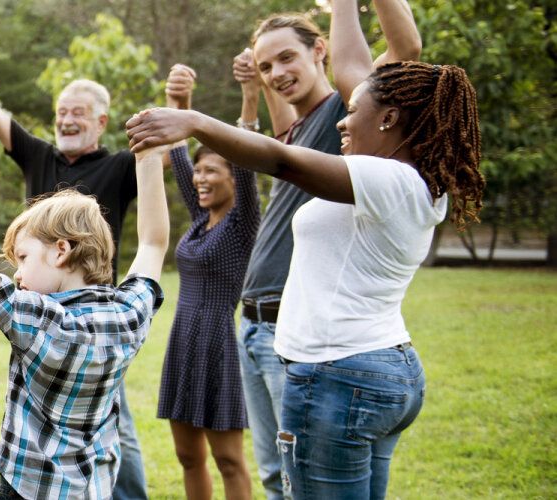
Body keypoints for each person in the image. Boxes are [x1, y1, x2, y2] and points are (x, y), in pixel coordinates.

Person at [129, 17, 478, 500]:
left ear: (389, 119)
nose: (341, 120)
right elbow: (354, 66)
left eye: (352, 110)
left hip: (338, 373)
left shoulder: (387, 180)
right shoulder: (406, 179)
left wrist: (193, 121)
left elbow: (280, 160)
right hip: (376, 365)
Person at [218, 3, 423, 497]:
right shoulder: (299, 128)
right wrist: (254, 88)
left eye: (287, 58)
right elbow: (276, 144)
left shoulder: (345, 117)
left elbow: (404, 50)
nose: (276, 74)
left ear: (320, 51)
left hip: (305, 342)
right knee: (277, 475)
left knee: (294, 482)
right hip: (257, 322)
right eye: (267, 66)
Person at [0, 137, 169, 498]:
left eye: (23, 257)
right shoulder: (127, 315)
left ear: (61, 251)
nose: (17, 274)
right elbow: (153, 242)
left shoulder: (39, 318)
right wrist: (149, 156)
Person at [154, 65, 259, 500]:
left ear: (235, 179)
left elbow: (250, 157)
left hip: (219, 342)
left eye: (212, 170)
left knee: (229, 459)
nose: (200, 178)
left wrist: (249, 95)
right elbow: (178, 156)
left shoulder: (242, 223)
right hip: (184, 339)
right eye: (200, 172)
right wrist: (179, 103)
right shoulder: (201, 222)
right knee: (188, 456)